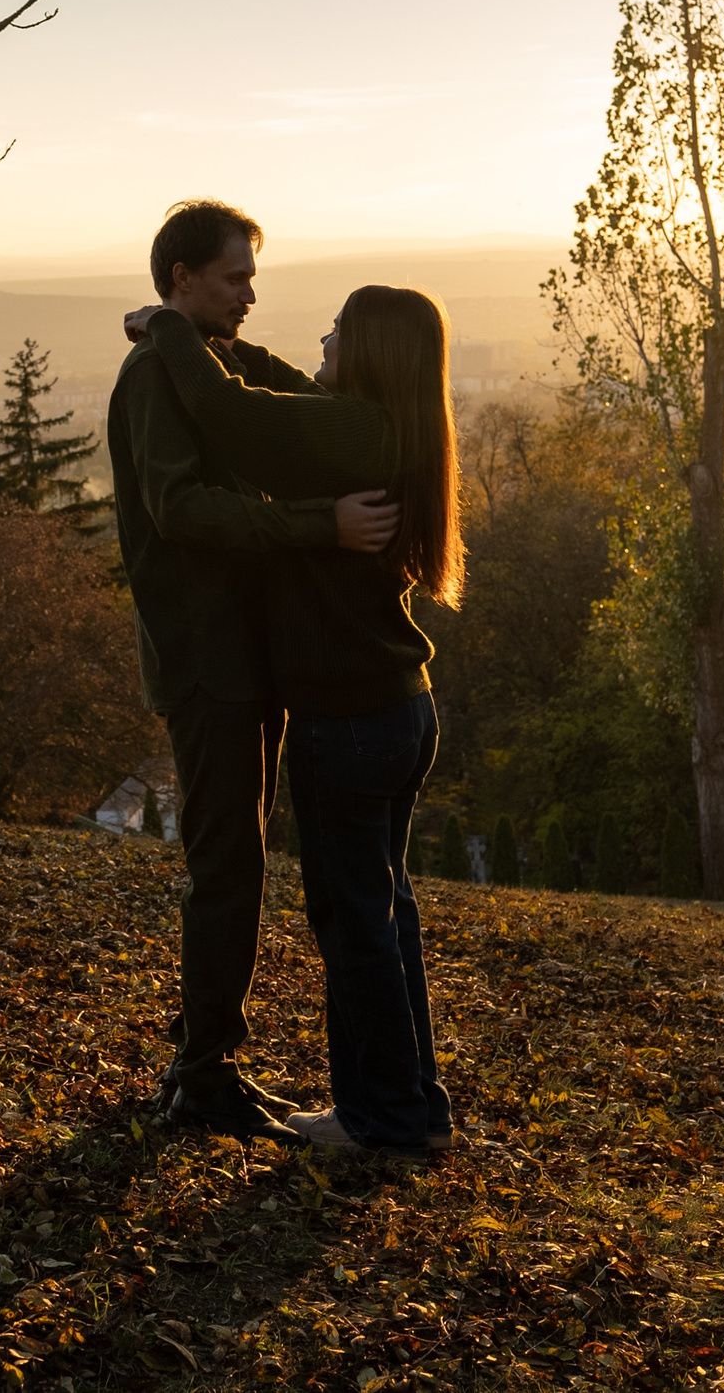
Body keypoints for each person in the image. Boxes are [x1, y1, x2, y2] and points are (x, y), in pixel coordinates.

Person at [126, 284, 463, 1158]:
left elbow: (235, 419)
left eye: (339, 329)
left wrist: (169, 327)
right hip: (399, 709)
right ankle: (412, 1108)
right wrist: (226, 346)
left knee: (354, 930)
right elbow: (275, 395)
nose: (322, 334)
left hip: (347, 719)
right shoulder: (390, 425)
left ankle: (378, 1122)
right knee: (386, 916)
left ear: (373, 353)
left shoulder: (347, 434)